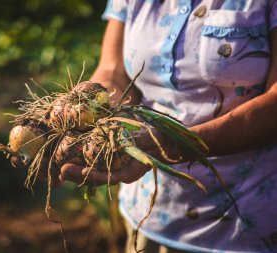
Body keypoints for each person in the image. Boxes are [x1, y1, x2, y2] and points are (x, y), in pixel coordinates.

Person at [59, 0, 277, 252]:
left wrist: (167, 146)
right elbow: (114, 71)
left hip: (245, 223)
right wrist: (88, 106)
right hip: (148, 211)